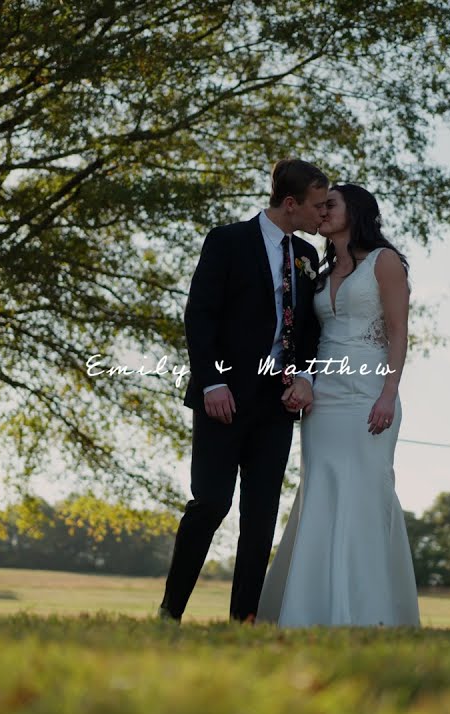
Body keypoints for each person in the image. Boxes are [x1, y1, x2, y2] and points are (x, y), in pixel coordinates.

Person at [159, 158, 327, 623]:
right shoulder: (228, 241)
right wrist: (211, 380)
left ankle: (243, 622)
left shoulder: (308, 257)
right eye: (316, 206)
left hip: (277, 405)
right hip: (223, 398)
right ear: (289, 204)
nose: (322, 215)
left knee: (261, 516)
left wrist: (305, 377)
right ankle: (170, 613)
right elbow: (201, 315)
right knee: (210, 502)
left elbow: (310, 332)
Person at [256, 183, 421, 627]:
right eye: (319, 205)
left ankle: (369, 612)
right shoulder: (318, 269)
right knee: (321, 491)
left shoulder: (385, 263)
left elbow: (399, 332)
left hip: (370, 393)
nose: (321, 211)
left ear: (357, 211)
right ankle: (309, 609)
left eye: (331, 204)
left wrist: (389, 393)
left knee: (366, 492)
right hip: (323, 397)